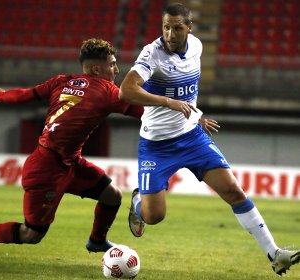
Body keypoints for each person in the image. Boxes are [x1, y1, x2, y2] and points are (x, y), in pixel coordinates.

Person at [119, 3, 300, 276]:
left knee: (233, 191)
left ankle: (274, 254)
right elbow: (126, 91)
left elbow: (188, 90)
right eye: (166, 27)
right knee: (154, 216)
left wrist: (196, 117)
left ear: (189, 28)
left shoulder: (197, 47)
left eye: (177, 28)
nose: (170, 34)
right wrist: (168, 102)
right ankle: (137, 203)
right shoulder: (151, 54)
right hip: (157, 145)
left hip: (192, 137)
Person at [0, 38, 145, 262]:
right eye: (112, 64)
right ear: (97, 68)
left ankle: (96, 241)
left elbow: (25, 95)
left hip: (70, 162)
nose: (116, 69)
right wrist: (183, 117)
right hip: (46, 169)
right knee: (32, 234)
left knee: (112, 196)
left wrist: (1, 94)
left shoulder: (61, 81)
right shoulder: (107, 91)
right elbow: (144, 112)